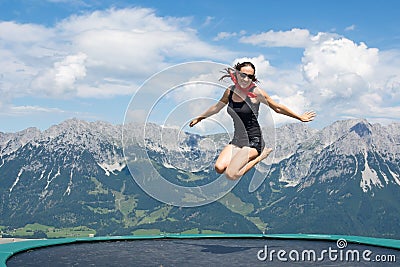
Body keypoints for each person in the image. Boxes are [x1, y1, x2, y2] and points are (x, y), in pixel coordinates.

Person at [189, 61, 316, 180]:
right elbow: (216, 107)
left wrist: (299, 117)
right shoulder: (230, 91)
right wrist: (199, 118)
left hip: (254, 141)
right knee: (219, 168)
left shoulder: (256, 93)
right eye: (243, 75)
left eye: (250, 76)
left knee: (231, 174)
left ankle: (261, 156)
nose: (246, 79)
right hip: (237, 140)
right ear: (237, 74)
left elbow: (277, 107)